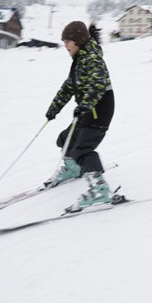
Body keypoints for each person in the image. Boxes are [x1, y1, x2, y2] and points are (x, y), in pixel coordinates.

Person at [44, 21, 116, 212]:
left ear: (78, 40)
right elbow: (69, 87)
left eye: (67, 41)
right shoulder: (80, 59)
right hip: (87, 110)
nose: (65, 45)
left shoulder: (92, 58)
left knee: (82, 150)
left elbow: (98, 84)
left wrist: (85, 104)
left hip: (99, 110)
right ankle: (73, 169)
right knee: (65, 139)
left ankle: (100, 190)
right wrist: (54, 108)